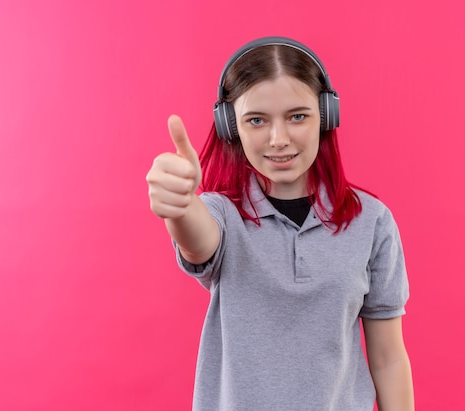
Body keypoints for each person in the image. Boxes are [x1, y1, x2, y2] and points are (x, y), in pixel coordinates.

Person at [146, 36, 414, 411]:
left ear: (326, 115)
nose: (279, 139)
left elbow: (388, 358)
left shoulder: (372, 222)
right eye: (256, 120)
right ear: (230, 127)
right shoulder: (221, 214)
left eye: (297, 116)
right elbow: (197, 238)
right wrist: (178, 206)